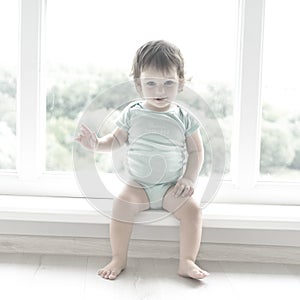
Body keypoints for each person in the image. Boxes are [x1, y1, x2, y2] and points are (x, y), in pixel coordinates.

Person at [75, 40, 209, 280]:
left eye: (168, 83)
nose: (160, 90)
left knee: (193, 212)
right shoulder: (133, 112)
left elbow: (197, 152)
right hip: (139, 186)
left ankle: (187, 261)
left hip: (171, 187)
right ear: (139, 84)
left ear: (180, 82)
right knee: (121, 206)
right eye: (151, 83)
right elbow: (115, 140)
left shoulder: (184, 117)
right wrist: (96, 144)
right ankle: (119, 257)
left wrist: (189, 178)